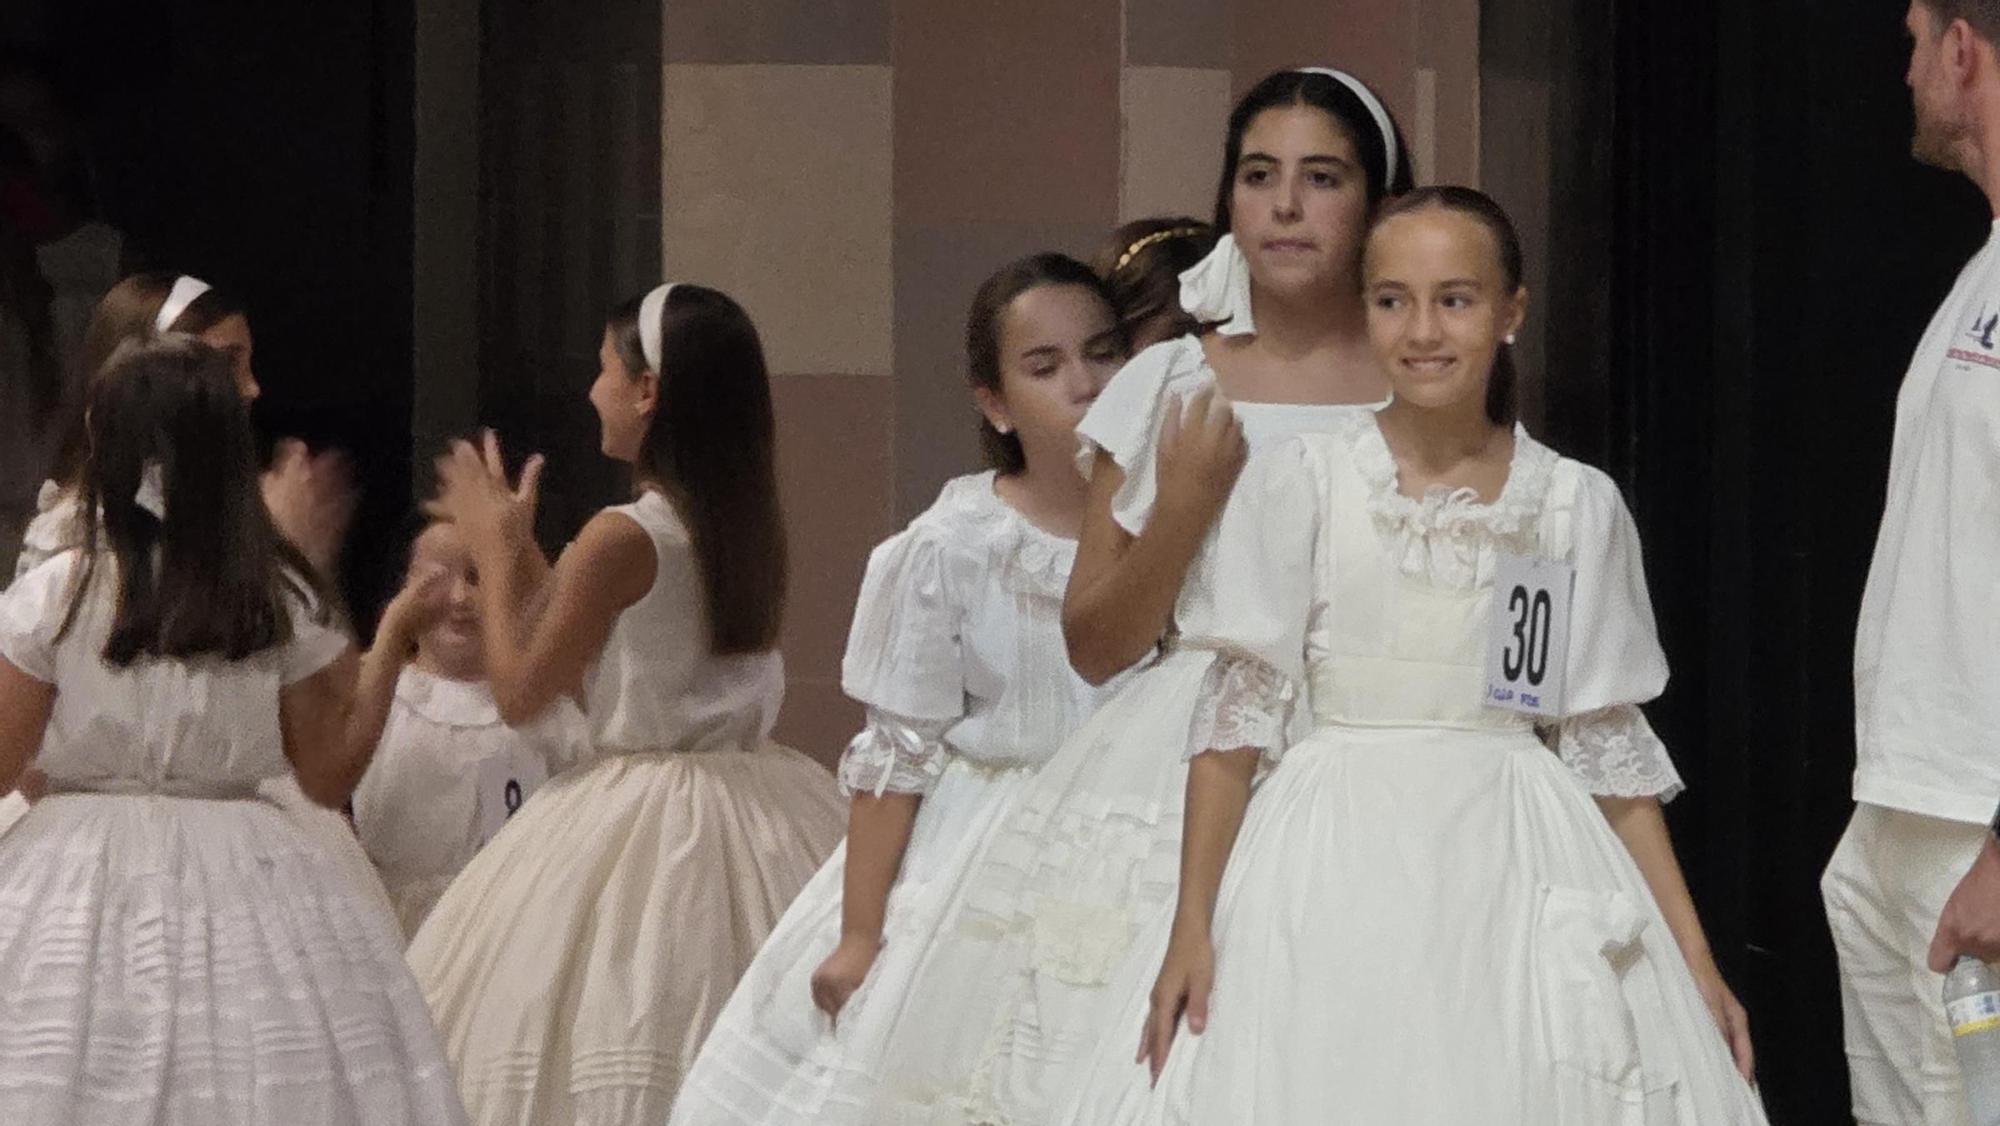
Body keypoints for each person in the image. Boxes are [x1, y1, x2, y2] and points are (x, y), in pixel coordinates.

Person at [1055, 185, 1763, 1124]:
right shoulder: (1305, 479)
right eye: (1393, 299)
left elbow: (1605, 751)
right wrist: (1193, 921)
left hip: (1510, 848)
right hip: (1333, 847)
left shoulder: (1569, 506)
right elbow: (1235, 720)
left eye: (1456, 299)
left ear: (1512, 311)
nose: (1423, 329)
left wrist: (1695, 960)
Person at [859, 67, 1410, 1125]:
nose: (1284, 207)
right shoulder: (1165, 384)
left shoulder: (1416, 378)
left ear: (1378, 204)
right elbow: (1095, 639)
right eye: (1257, 176)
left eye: (1321, 177)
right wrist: (1185, 509)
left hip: (1369, 760)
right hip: (1174, 762)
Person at [668, 253, 1132, 1124]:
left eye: (1103, 354)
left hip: (1134, 835)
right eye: (1045, 366)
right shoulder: (953, 546)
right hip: (986, 847)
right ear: (994, 402)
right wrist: (860, 932)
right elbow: (897, 754)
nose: (1084, 384)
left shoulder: (1168, 522)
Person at [406, 283, 845, 1124]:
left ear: (648, 392)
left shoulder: (626, 532)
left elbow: (522, 691)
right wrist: (525, 550)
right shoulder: (733, 520)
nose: (591, 390)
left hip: (648, 812)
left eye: (605, 371)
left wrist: (497, 552)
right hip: (756, 802)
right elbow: (601, 657)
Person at [0, 335, 465, 1124]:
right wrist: (390, 641)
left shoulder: (58, 593)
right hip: (254, 873)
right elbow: (328, 774)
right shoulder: (276, 600)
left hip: (72, 870)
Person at [1826, 4, 2000, 1122]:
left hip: (1977, 831)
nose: (1900, 73)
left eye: (1909, 40)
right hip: (1901, 807)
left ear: (1959, 47)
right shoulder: (1978, 269)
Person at [349, 519, 588, 939]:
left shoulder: (543, 714)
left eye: (478, 578)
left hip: (506, 928)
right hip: (389, 926)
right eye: (436, 579)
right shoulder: (375, 698)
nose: (460, 598)